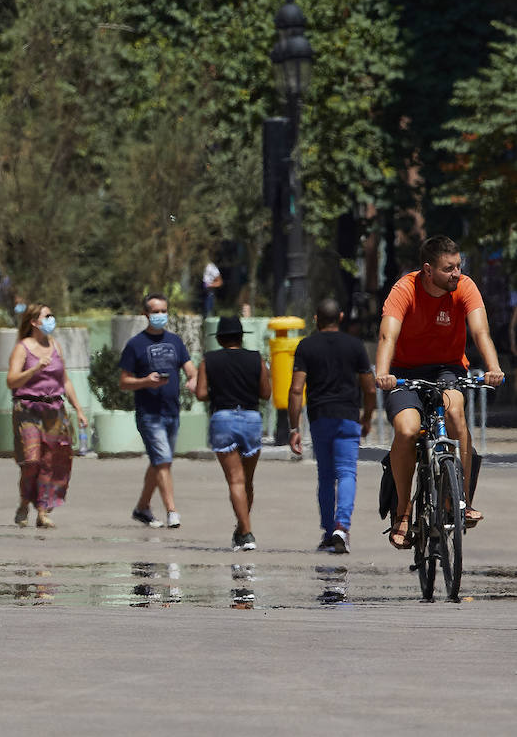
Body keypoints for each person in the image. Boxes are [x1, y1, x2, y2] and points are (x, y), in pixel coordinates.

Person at [375, 235, 504, 549]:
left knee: (455, 410)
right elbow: (387, 335)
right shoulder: (405, 289)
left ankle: (460, 500)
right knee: (406, 430)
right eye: (449, 268)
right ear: (428, 269)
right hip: (404, 372)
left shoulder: (465, 287)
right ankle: (403, 513)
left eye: (458, 266)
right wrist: (383, 372)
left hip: (448, 367)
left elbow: (480, 331)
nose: (457, 273)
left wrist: (493, 367)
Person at [288, 298, 376, 554]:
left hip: (320, 417)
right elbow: (369, 388)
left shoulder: (306, 346)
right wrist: (367, 417)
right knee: (347, 472)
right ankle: (342, 527)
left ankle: (329, 532)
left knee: (326, 476)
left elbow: (296, 390)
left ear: (316, 318)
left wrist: (294, 428)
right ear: (340, 316)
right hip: (348, 417)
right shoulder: (355, 345)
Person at [119, 293, 197, 529]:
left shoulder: (175, 341)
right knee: (162, 461)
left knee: (160, 462)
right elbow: (124, 381)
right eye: (156, 311)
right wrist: (145, 382)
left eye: (164, 311)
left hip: (172, 411)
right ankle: (172, 511)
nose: (161, 316)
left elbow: (191, 370)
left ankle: (142, 508)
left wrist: (193, 381)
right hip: (149, 413)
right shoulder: (135, 345)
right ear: (146, 314)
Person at [6, 303, 87, 529]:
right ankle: (24, 502)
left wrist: (79, 410)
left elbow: (65, 381)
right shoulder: (23, 348)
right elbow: (11, 381)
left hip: (55, 410)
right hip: (28, 409)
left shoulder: (55, 346)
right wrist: (34, 370)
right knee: (31, 461)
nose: (52, 319)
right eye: (47, 316)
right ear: (34, 322)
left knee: (50, 461)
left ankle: (42, 511)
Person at [195, 317, 271, 551]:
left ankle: (246, 533)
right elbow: (266, 393)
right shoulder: (256, 358)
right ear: (241, 336)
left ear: (218, 339)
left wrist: (218, 392)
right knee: (247, 481)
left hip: (223, 418)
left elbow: (200, 393)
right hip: (251, 418)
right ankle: (241, 530)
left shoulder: (209, 360)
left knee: (235, 480)